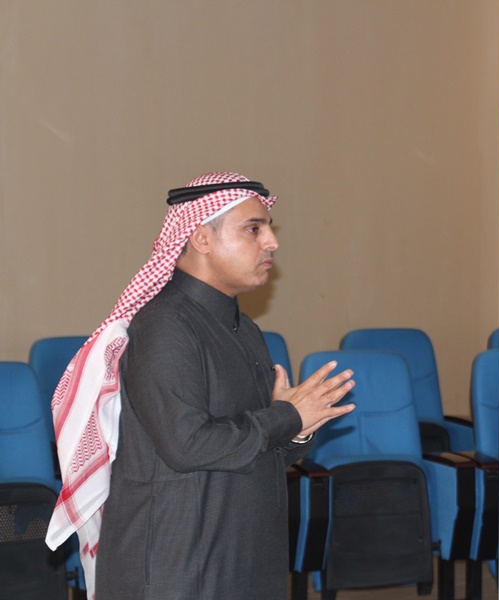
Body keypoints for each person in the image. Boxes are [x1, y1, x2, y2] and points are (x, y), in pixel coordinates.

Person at [45, 172, 355, 599]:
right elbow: (188, 445)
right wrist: (286, 416)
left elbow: (255, 447)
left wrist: (297, 428)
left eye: (268, 228)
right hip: (178, 566)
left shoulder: (245, 329)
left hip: (240, 558)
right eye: (253, 229)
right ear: (201, 238)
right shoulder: (165, 326)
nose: (272, 242)